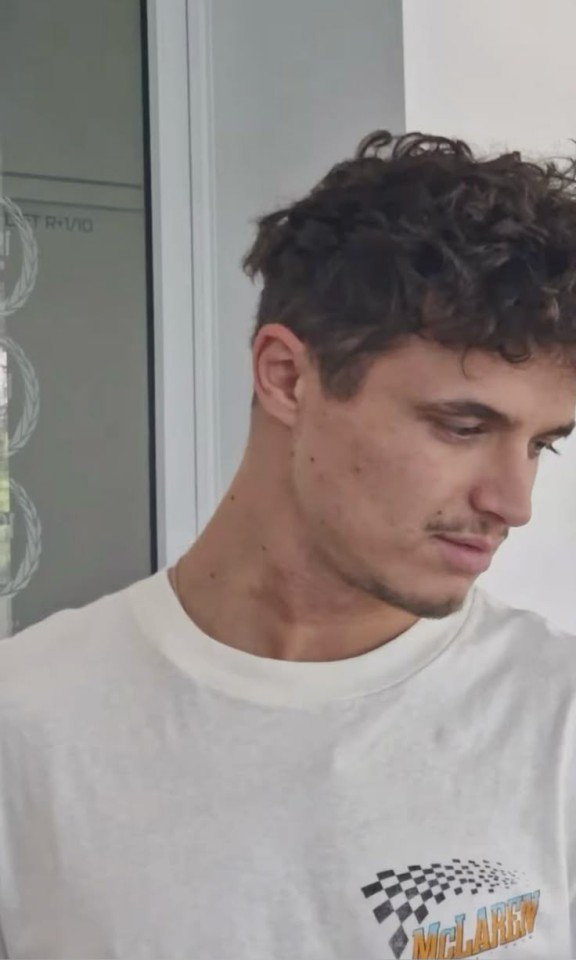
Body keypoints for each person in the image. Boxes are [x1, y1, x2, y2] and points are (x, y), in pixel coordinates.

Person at [1, 132, 576, 960]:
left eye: (541, 444)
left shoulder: (554, 724)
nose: (512, 503)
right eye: (462, 426)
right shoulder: (27, 725)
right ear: (286, 377)